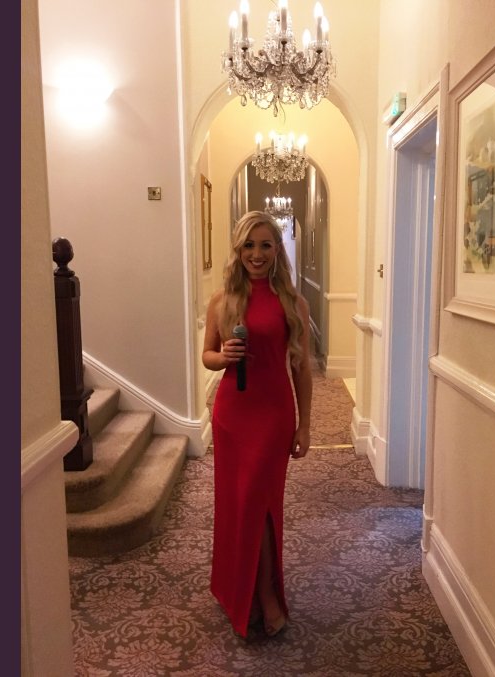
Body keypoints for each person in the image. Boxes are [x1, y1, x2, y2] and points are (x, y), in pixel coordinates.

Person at [202, 210, 313, 638]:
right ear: (238, 250)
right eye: (249, 245)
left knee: (261, 503)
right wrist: (223, 357)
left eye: (266, 245)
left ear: (277, 250)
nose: (257, 254)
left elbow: (301, 368)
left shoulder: (292, 303)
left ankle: (264, 593)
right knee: (238, 505)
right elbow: (207, 356)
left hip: (273, 416)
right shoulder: (222, 300)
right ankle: (241, 591)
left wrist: (304, 425)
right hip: (232, 415)